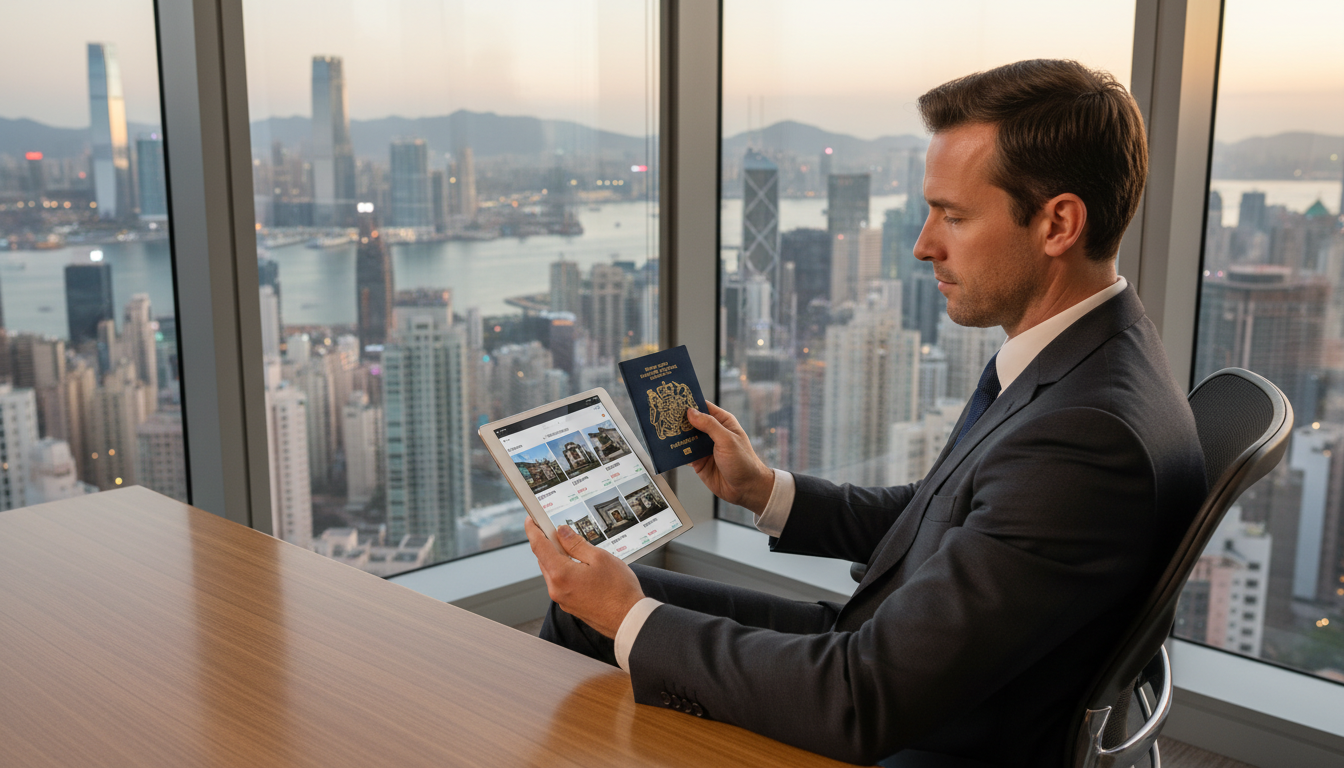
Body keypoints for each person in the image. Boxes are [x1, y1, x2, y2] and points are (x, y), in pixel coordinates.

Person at [523, 59, 1206, 767]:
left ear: (1058, 223)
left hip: (907, 722)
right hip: (899, 661)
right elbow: (951, 515)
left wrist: (628, 615)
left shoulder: (1085, 439)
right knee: (585, 613)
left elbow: (860, 699)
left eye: (954, 215)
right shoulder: (1092, 355)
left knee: (613, 614)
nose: (923, 244)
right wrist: (764, 490)